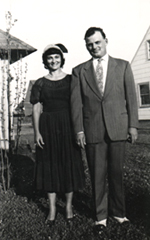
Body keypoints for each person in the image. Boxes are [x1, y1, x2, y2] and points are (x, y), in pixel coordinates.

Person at [70, 27, 138, 237]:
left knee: (116, 173)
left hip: (118, 127)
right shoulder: (79, 71)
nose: (94, 47)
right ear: (86, 46)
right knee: (97, 174)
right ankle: (100, 217)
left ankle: (119, 213)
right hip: (93, 130)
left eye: (97, 42)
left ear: (106, 41)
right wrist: (79, 130)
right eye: (90, 44)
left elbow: (131, 98)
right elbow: (76, 104)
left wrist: (133, 126)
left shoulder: (123, 66)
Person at [30, 43, 84, 226]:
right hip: (48, 127)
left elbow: (78, 105)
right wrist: (37, 132)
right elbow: (36, 109)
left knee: (68, 164)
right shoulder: (40, 83)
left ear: (62, 59)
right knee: (50, 166)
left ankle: (68, 207)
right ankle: (52, 208)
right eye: (50, 58)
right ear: (45, 61)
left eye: (56, 57)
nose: (53, 60)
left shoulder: (71, 80)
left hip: (68, 126)